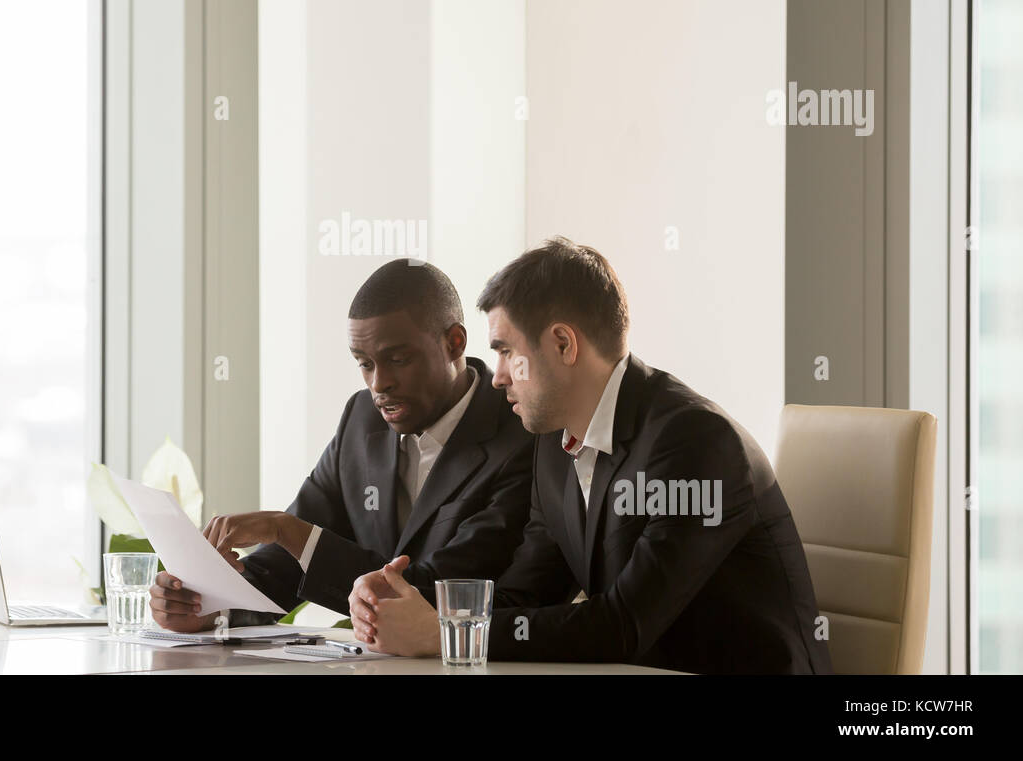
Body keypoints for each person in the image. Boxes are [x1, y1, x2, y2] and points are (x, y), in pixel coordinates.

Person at [349, 237, 832, 674]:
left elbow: (625, 625)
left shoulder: (696, 443)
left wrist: (447, 635)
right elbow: (527, 593)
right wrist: (416, 608)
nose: (497, 377)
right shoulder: (554, 448)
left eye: (505, 351)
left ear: (563, 343)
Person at [149, 259, 535, 630]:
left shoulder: (521, 435)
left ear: (454, 343)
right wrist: (208, 606)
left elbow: (437, 592)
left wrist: (286, 529)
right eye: (364, 363)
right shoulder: (361, 419)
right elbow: (285, 566)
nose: (378, 384)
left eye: (398, 359)